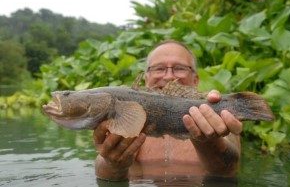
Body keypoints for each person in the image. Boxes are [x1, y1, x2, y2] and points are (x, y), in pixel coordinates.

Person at [93, 40, 242, 181]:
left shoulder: (219, 116)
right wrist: (113, 165)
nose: (169, 76)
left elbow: (228, 171)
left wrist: (208, 140)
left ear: (195, 80)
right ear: (146, 78)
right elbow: (103, 170)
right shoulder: (125, 116)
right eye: (159, 68)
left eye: (179, 68)